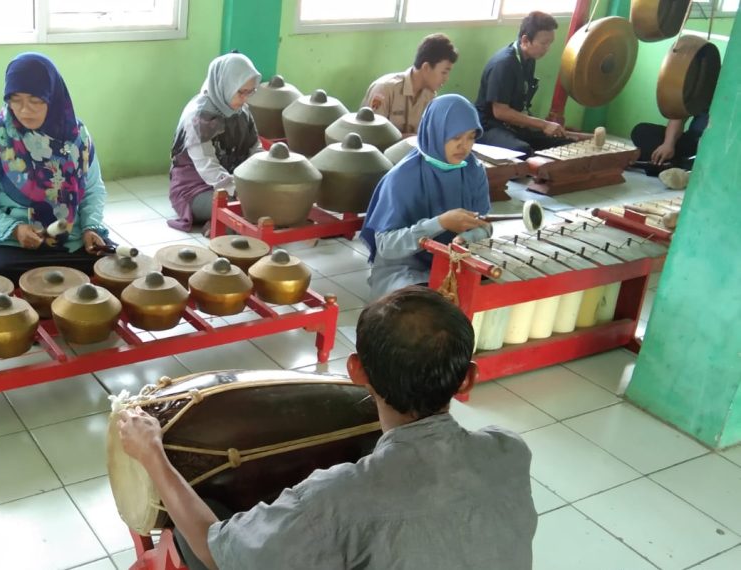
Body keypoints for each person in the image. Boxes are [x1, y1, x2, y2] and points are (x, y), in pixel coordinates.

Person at [117, 286, 538, 569]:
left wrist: (152, 454)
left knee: (204, 529)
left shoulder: (330, 503)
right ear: (467, 379)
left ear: (356, 371)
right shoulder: (510, 451)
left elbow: (215, 550)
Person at [0, 53, 111, 284]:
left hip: (72, 238)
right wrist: (13, 228)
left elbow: (93, 190)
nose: (24, 110)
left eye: (36, 100)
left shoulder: (77, 137)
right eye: (15, 99)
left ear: (53, 97)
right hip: (14, 245)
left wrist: (91, 227)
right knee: (0, 275)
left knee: (112, 269)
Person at [361, 94, 491, 300]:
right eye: (456, 137)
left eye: (471, 137)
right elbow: (387, 247)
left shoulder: (473, 170)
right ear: (435, 133)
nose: (464, 146)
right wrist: (440, 223)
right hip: (404, 267)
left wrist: (465, 239)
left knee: (492, 291)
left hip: (454, 263)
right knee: (425, 304)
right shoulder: (402, 177)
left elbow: (485, 225)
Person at [168, 53, 264, 232]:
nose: (245, 99)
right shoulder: (199, 116)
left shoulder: (242, 111)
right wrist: (240, 190)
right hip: (195, 188)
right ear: (225, 85)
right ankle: (218, 224)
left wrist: (261, 174)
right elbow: (207, 167)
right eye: (241, 92)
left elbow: (255, 147)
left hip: (234, 182)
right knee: (248, 210)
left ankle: (220, 223)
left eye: (250, 92)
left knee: (264, 203)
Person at [475, 11, 571, 156]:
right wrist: (543, 124)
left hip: (512, 125)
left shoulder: (529, 58)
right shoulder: (504, 64)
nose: (547, 49)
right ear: (525, 40)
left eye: (550, 43)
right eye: (544, 43)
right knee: (522, 151)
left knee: (563, 143)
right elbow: (500, 112)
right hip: (489, 127)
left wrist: (543, 127)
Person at [362, 33, 459, 137]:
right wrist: (411, 138)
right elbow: (371, 135)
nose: (446, 78)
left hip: (410, 152)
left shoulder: (430, 96)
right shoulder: (385, 89)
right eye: (444, 72)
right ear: (426, 67)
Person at [630, 114, 707, 176]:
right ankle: (674, 165)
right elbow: (679, 116)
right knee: (641, 131)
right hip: (692, 144)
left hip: (709, 152)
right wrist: (668, 144)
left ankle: (672, 166)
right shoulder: (701, 95)